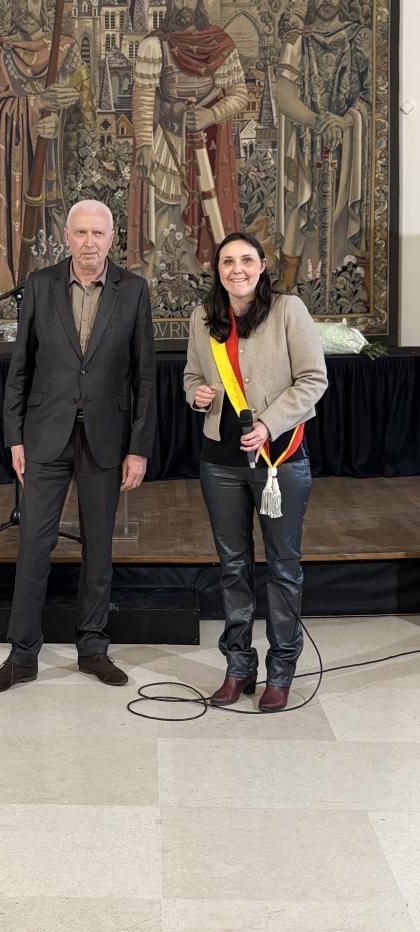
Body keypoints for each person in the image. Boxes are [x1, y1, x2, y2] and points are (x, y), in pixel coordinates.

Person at [0, 200, 156, 693]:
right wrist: (14, 437)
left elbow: (144, 377)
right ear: (67, 236)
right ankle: (22, 655)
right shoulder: (39, 285)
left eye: (98, 233)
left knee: (98, 548)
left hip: (106, 438)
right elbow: (21, 369)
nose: (90, 242)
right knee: (34, 544)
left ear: (112, 237)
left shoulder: (134, 290)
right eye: (81, 233)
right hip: (44, 436)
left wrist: (138, 448)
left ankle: (93, 647)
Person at [184, 233, 327, 711]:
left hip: (278, 460)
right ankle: (239, 667)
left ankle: (281, 669)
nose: (237, 269)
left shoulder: (289, 311)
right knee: (232, 566)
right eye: (228, 261)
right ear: (217, 268)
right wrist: (197, 394)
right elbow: (190, 376)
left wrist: (268, 424)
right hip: (220, 462)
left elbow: (314, 379)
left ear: (263, 265)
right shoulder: (204, 318)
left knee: (283, 568)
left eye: (247, 260)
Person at [0, 0, 95, 293]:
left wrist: (65, 109)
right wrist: (35, 105)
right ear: (12, 7)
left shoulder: (67, 49)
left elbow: (87, 111)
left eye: (35, 0)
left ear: (45, 6)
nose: (29, 7)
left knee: (56, 219)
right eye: (22, 0)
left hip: (55, 160)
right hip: (11, 167)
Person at [128, 0, 248, 278]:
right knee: (164, 211)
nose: (184, 3)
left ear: (200, 1)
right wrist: (143, 144)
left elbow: (239, 96)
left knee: (210, 214)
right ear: (170, 3)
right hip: (167, 141)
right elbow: (143, 97)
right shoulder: (156, 45)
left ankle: (205, 281)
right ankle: (161, 279)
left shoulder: (220, 44)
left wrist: (210, 115)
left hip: (207, 144)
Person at [275, 0, 371, 289]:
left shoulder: (360, 38)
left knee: (348, 206)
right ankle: (290, 281)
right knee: (297, 205)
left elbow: (374, 93)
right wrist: (317, 121)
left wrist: (346, 120)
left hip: (349, 143)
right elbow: (284, 95)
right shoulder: (298, 41)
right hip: (305, 138)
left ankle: (346, 282)